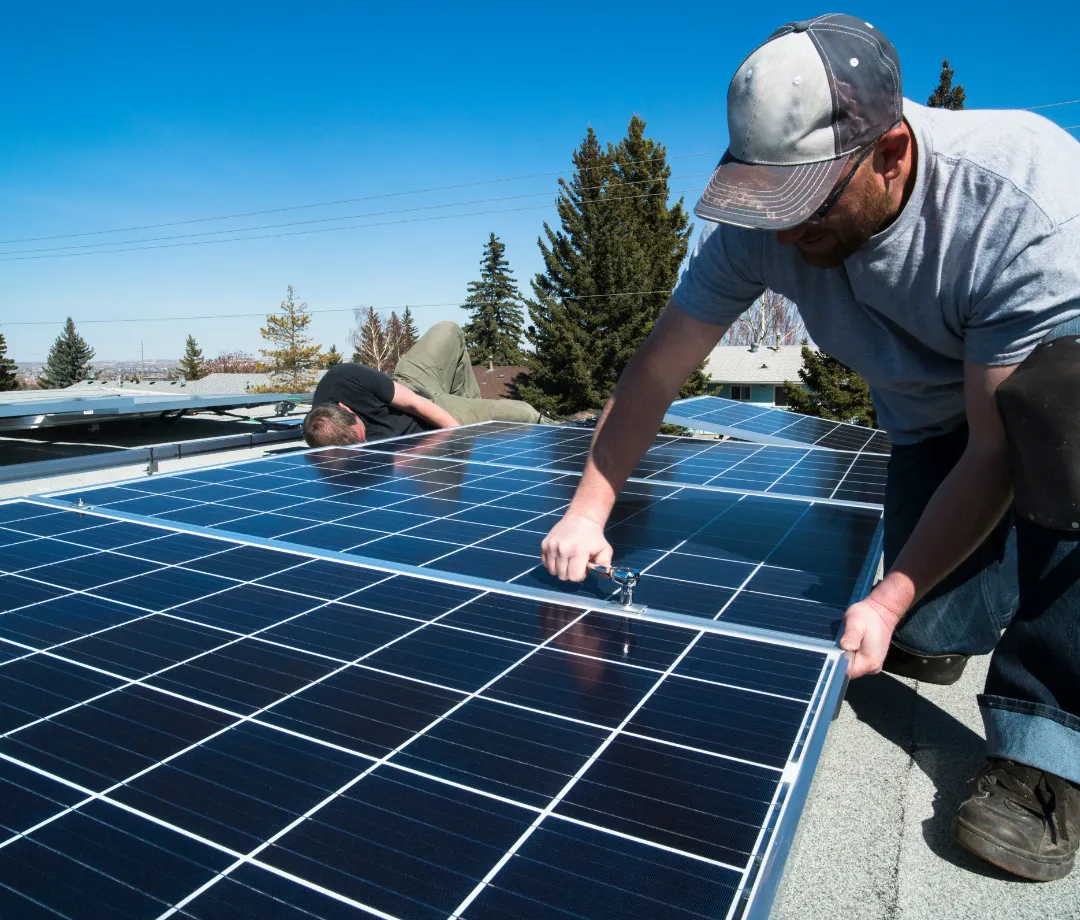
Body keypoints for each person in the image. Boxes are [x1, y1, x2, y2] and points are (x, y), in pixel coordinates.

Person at [540, 13, 1080, 881]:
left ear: (892, 153)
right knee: (942, 621)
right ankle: (958, 606)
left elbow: (998, 449)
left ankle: (1049, 750)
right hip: (930, 417)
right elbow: (656, 371)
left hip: (1052, 391)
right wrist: (589, 507)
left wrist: (889, 600)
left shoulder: (1022, 200)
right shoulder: (761, 227)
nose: (785, 237)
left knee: (1062, 458)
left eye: (808, 206)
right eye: (770, 204)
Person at [303, 321, 550, 446]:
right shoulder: (330, 445)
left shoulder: (345, 377)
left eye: (361, 434)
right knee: (524, 412)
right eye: (360, 445)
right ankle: (567, 426)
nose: (365, 442)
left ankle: (468, 406)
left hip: (416, 394)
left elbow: (414, 403)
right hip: (426, 431)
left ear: (346, 409)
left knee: (449, 330)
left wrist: (461, 439)